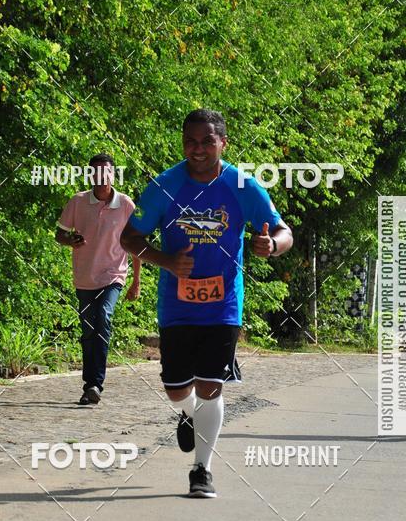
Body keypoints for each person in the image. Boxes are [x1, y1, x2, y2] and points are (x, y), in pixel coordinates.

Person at [120, 109, 293, 497]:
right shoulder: (165, 185)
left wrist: (272, 245)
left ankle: (202, 469)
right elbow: (129, 238)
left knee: (211, 386)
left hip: (223, 304)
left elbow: (283, 231)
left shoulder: (243, 185)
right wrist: (165, 260)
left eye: (206, 142)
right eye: (190, 142)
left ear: (222, 143)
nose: (197, 150)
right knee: (176, 388)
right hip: (176, 306)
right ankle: (188, 414)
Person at [56, 153, 140, 405]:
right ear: (90, 175)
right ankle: (88, 384)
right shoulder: (78, 202)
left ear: (113, 175)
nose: (102, 177)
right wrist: (70, 240)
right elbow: (59, 234)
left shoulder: (126, 205)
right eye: (97, 172)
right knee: (88, 330)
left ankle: (95, 384)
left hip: (113, 275)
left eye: (107, 172)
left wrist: (136, 282)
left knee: (103, 317)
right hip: (84, 277)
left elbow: (136, 244)